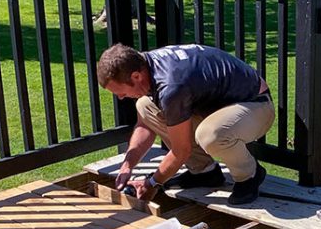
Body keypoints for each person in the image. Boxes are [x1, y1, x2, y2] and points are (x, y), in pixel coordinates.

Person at [97, 42, 274, 205]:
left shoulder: (171, 86)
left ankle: (249, 176)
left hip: (256, 105)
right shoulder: (144, 64)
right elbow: (144, 126)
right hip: (218, 107)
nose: (120, 97)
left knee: (211, 135)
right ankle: (204, 172)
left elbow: (181, 151)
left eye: (120, 92)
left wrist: (152, 183)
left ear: (136, 76)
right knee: (145, 106)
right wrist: (128, 165)